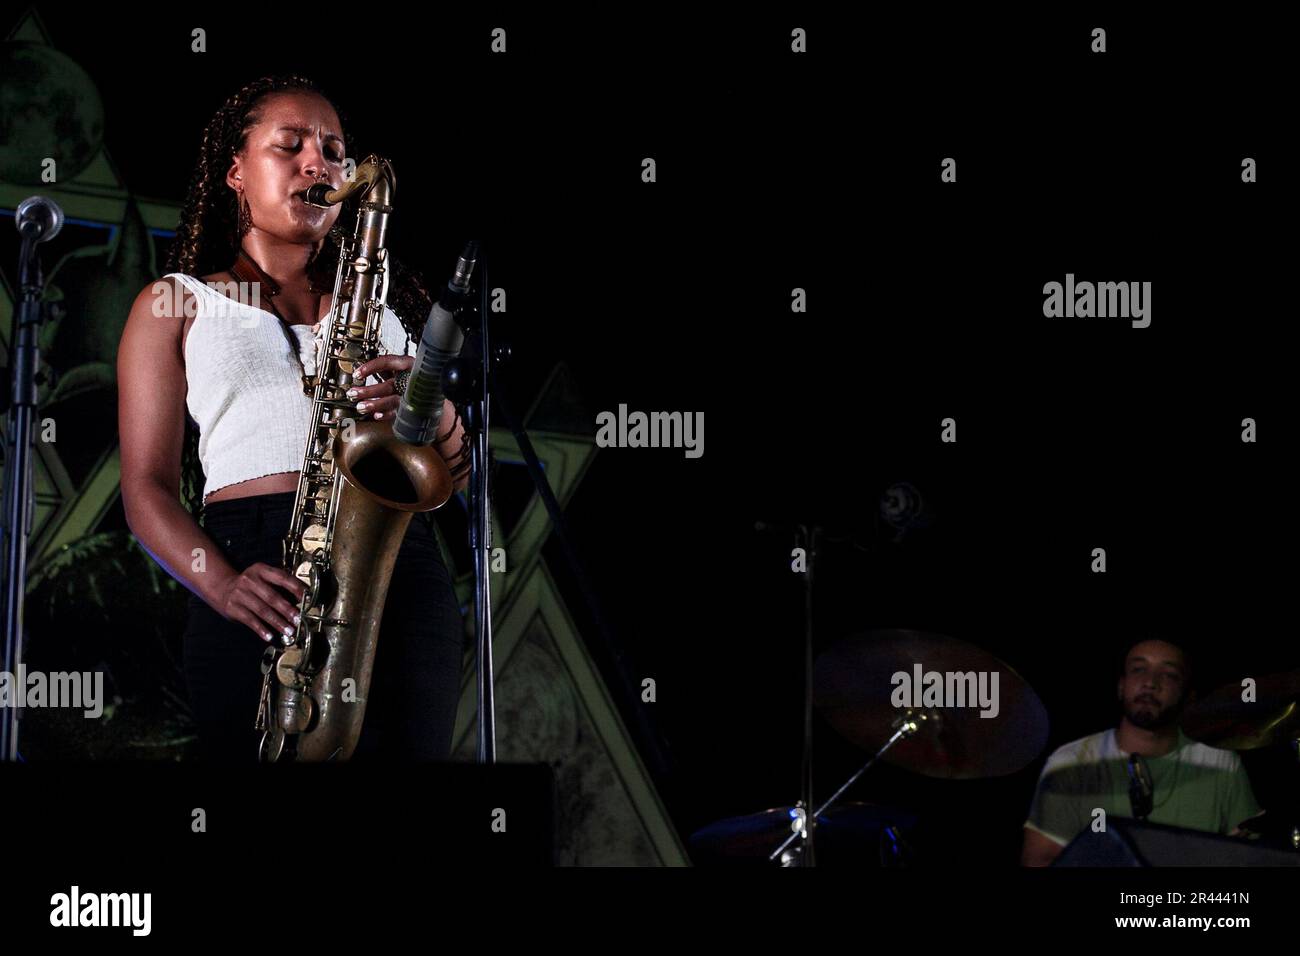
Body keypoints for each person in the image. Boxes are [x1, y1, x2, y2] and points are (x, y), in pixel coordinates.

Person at [116, 75, 470, 762]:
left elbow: (451, 472)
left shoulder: (384, 311)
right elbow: (145, 490)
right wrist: (222, 583)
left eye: (335, 152)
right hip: (255, 570)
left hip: (402, 569)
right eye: (291, 146)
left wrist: (439, 415)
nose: (321, 164)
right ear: (235, 172)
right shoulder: (176, 302)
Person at [1020, 638, 1261, 866]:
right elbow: (1040, 860)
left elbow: (1248, 855)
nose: (1151, 682)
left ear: (1189, 697)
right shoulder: (1072, 762)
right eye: (1138, 669)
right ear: (1121, 687)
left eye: (1169, 674)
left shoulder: (1222, 763)